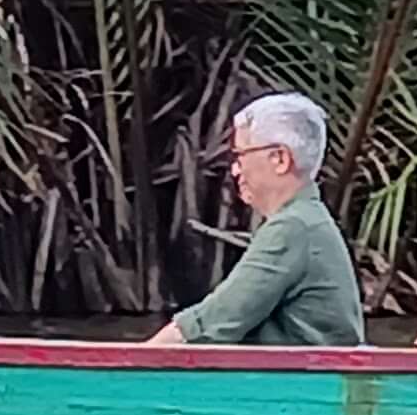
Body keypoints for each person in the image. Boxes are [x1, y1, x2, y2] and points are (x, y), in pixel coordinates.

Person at [148, 91, 367, 348]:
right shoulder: (308, 220)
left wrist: (133, 363)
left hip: (306, 384)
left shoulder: (294, 227)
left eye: (240, 155)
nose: (235, 170)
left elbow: (215, 321)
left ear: (280, 159)